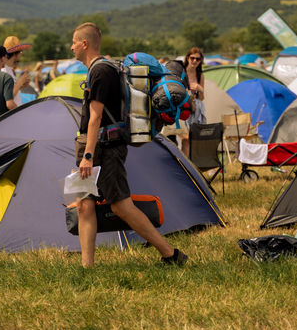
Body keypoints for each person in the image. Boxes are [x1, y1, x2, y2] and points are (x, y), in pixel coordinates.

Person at [72, 22, 187, 268]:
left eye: (74, 42)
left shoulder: (101, 72)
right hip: (93, 145)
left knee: (121, 205)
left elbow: (95, 118)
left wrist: (88, 156)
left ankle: (171, 254)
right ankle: (86, 267)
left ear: (84, 44)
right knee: (84, 204)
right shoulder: (100, 69)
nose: (71, 48)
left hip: (104, 147)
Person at [179, 47, 206, 157]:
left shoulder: (201, 75)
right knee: (185, 138)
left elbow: (202, 98)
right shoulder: (181, 73)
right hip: (182, 107)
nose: (194, 61)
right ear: (187, 58)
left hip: (195, 108)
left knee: (194, 138)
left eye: (198, 59)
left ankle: (192, 164)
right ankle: (186, 164)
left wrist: (200, 89)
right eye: (192, 58)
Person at [2, 36, 33, 106]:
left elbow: (11, 91)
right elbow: (8, 97)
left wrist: (21, 85)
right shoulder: (4, 71)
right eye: (21, 52)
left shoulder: (8, 69)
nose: (21, 55)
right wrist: (20, 82)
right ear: (16, 54)